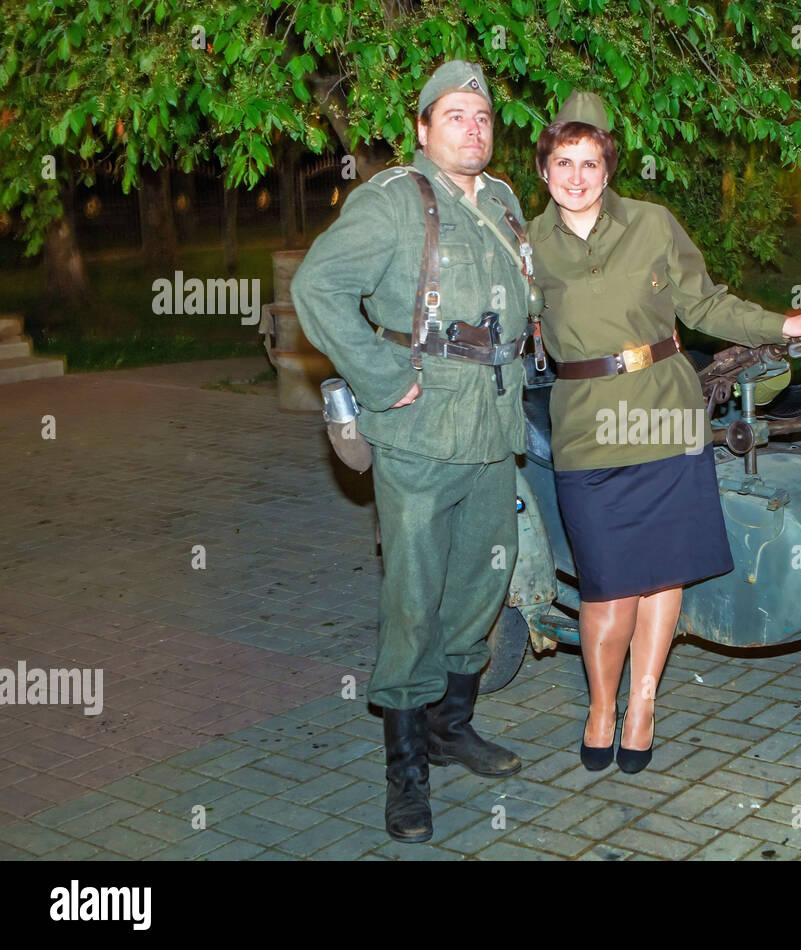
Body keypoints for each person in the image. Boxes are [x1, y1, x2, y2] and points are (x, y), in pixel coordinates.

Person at [526, 92, 801, 774]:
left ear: (609, 166)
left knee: (661, 577)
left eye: (591, 161)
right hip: (589, 425)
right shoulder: (526, 244)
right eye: (563, 162)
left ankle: (643, 705)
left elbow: (706, 303)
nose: (577, 175)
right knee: (607, 585)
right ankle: (600, 705)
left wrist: (785, 324)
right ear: (544, 170)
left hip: (665, 413)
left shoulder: (654, 224)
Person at [292, 60, 533, 843]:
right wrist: (381, 373)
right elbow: (317, 289)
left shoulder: (502, 202)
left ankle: (451, 727)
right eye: (456, 114)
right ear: (424, 129)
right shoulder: (393, 202)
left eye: (484, 116)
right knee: (411, 600)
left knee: (479, 590)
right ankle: (405, 774)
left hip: (495, 435)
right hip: (421, 438)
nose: (474, 127)